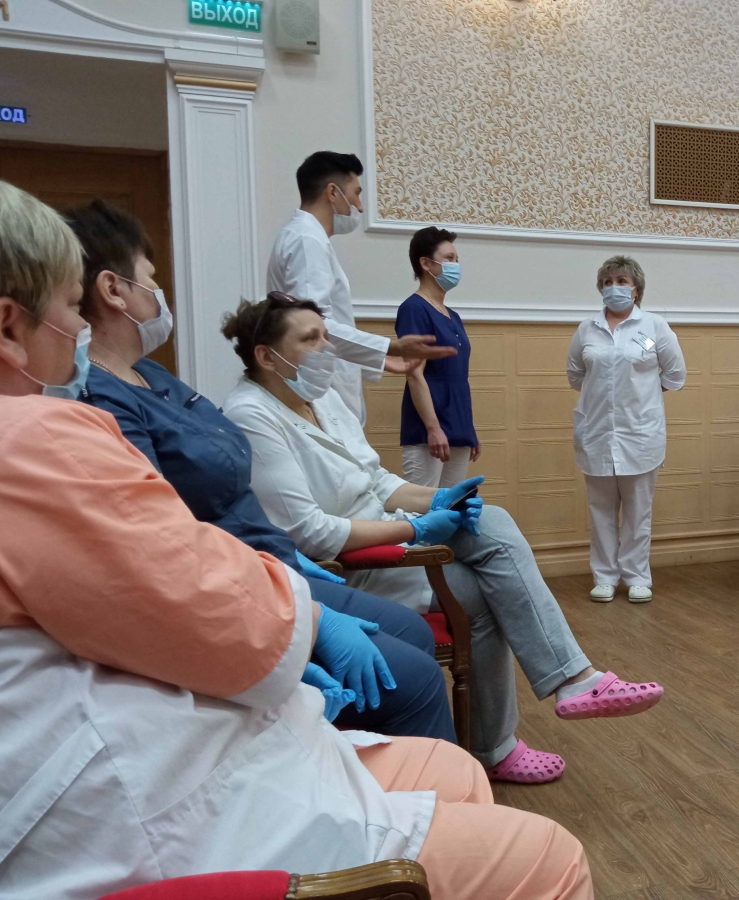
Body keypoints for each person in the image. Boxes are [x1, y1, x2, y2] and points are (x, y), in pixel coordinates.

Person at [0, 180, 592, 900]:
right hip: (168, 747)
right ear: (10, 326)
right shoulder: (49, 433)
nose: (79, 330)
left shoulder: (163, 386)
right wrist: (317, 604)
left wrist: (418, 512)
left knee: (471, 607)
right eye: (70, 308)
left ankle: (532, 711)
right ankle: (561, 686)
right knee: (547, 850)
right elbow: (189, 566)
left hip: (258, 588)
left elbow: (195, 539)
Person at [221, 295, 665, 783]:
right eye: (310, 340)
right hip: (349, 569)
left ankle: (518, 727)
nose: (326, 349)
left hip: (393, 539)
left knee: (489, 557)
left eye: (326, 337)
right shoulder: (250, 416)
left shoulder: (321, 399)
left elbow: (377, 481)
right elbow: (309, 532)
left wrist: (438, 499)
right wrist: (415, 528)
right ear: (266, 356)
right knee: (492, 558)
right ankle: (554, 696)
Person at [66, 199, 455, 742]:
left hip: (276, 561)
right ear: (114, 290)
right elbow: (163, 535)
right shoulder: (104, 397)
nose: (158, 293)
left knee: (413, 630)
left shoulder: (151, 375)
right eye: (150, 280)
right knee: (416, 681)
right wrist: (308, 602)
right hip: (238, 576)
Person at [267, 151, 453, 423]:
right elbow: (312, 327)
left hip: (320, 387)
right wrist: (390, 347)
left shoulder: (306, 237)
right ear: (333, 192)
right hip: (315, 392)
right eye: (356, 193)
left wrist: (379, 359)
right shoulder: (307, 241)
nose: (360, 207)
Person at [567, 256, 687, 604]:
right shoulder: (587, 329)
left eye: (621, 281)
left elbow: (675, 374)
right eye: (607, 281)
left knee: (638, 512)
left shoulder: (654, 326)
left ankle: (637, 577)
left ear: (636, 289)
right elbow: (575, 374)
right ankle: (605, 577)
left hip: (640, 433)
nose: (614, 287)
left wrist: (640, 395)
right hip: (596, 432)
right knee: (601, 511)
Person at [396, 226, 479, 487]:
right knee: (421, 506)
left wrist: (468, 429)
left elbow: (458, 377)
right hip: (427, 432)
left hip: (458, 426)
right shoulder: (414, 309)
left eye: (457, 259)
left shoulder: (453, 316)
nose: (456, 265)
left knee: (452, 506)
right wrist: (433, 428)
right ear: (426, 264)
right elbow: (414, 374)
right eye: (449, 258)